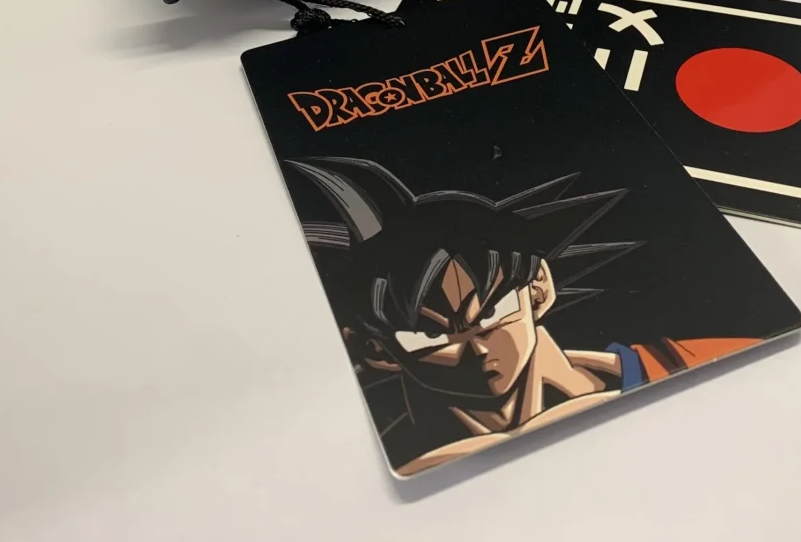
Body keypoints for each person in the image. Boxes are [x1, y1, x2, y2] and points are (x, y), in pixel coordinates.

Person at [289, 157, 757, 475]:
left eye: (492, 311)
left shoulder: (705, 363)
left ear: (538, 288)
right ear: (375, 349)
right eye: (430, 336)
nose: (476, 347)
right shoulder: (386, 471)